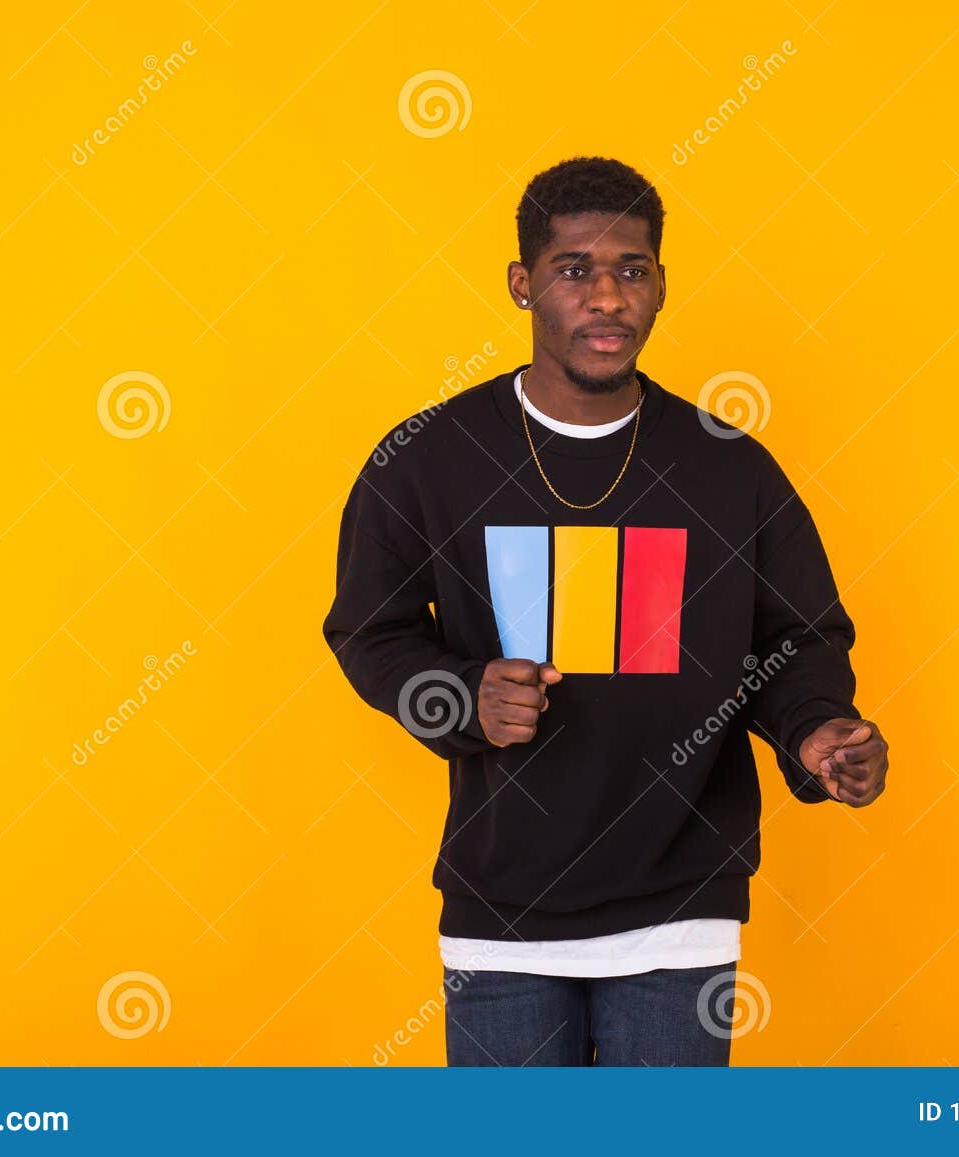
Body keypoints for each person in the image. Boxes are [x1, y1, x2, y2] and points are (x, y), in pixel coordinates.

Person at [323, 155, 890, 1066]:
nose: (607, 296)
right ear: (522, 285)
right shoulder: (429, 456)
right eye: (574, 269)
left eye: (631, 270)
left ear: (660, 284)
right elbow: (370, 628)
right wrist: (458, 694)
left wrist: (816, 730)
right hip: (503, 912)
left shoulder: (727, 466)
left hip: (680, 913)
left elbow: (793, 638)